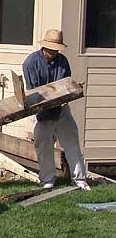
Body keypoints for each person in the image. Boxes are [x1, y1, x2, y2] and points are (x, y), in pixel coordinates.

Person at [22, 29, 91, 191]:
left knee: (72, 143)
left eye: (56, 48)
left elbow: (65, 84)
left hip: (61, 108)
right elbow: (33, 91)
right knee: (43, 146)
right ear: (44, 46)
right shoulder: (31, 62)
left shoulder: (63, 61)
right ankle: (47, 180)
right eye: (51, 48)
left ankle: (80, 179)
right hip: (42, 110)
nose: (54, 51)